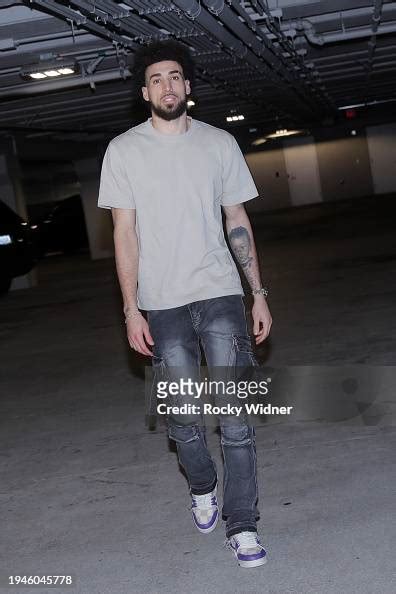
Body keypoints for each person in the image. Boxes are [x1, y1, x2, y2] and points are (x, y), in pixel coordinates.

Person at [98, 40, 272, 568]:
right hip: (162, 302)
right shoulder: (123, 150)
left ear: (188, 87)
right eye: (157, 79)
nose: (167, 86)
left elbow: (236, 220)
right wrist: (131, 309)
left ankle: (242, 526)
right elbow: (123, 234)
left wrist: (257, 294)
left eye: (176, 77)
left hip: (219, 292)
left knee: (235, 419)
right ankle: (202, 486)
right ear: (143, 91)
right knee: (183, 419)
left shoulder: (219, 143)